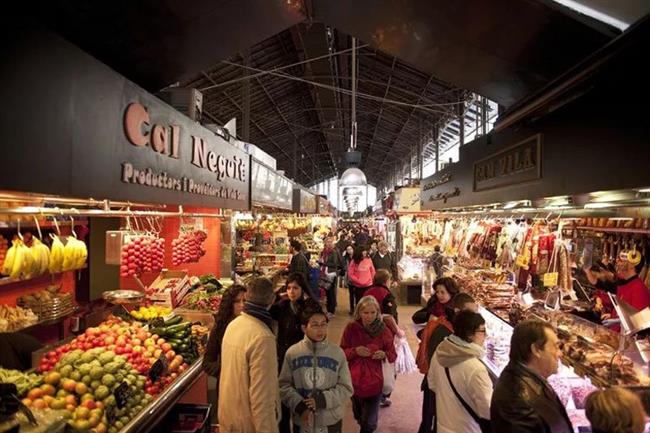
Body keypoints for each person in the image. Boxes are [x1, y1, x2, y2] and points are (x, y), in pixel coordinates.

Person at [279, 300, 353, 433]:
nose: (320, 330)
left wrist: (322, 400)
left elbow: (346, 388)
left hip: (330, 421)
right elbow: (283, 386)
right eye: (314, 325)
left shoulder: (337, 353)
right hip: (302, 421)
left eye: (323, 325)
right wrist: (300, 405)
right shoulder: (293, 353)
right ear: (304, 328)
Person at [219, 277, 281, 433]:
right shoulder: (262, 337)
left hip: (228, 417)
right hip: (248, 424)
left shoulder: (234, 325)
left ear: (246, 297)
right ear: (272, 300)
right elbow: (262, 397)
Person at [491, 320, 572, 433]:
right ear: (536, 350)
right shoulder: (517, 403)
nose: (560, 353)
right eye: (556, 347)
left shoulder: (525, 376)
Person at [417, 293, 477, 433]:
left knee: (431, 418)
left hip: (436, 385)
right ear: (458, 312)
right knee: (434, 418)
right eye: (471, 313)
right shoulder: (445, 331)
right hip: (438, 386)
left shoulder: (445, 325)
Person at [428, 311, 492, 433]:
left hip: (443, 426)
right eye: (482, 331)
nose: (486, 335)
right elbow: (488, 409)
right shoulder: (476, 368)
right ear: (469, 335)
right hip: (468, 429)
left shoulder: (439, 352)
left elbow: (432, 383)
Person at [340, 296, 397, 433]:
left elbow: (393, 354)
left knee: (369, 423)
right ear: (359, 312)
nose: (369, 316)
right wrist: (355, 351)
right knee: (359, 416)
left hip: (376, 381)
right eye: (366, 313)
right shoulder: (351, 328)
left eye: (373, 313)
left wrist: (384, 354)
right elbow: (341, 352)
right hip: (354, 381)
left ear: (378, 312)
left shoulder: (384, 331)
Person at [270, 273, 313, 433]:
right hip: (283, 360)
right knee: (283, 403)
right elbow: (268, 308)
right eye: (288, 288)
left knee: (299, 403)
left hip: (303, 362)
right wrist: (277, 295)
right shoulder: (281, 306)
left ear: (302, 289)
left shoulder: (308, 308)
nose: (291, 292)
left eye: (295, 288)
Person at [203, 284, 247, 420]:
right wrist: (226, 369)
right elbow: (207, 362)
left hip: (248, 389)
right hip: (227, 388)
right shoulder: (220, 327)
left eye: (245, 301)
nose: (242, 305)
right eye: (237, 301)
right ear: (229, 304)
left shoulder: (253, 326)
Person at [607, 250, 650, 330]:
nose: (617, 262)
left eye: (621, 260)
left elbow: (641, 321)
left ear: (631, 265)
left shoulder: (639, 289)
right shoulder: (623, 284)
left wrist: (618, 321)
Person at [320, 236, 344, 317]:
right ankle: (329, 310)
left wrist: (323, 263)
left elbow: (335, 264)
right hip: (325, 273)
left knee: (331, 292)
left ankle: (332, 310)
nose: (329, 243)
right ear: (325, 243)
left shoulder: (333, 252)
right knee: (327, 291)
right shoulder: (324, 251)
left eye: (330, 242)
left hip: (331, 274)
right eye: (327, 242)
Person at [342, 244, 356, 314]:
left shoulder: (356, 257)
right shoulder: (346, 258)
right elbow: (344, 266)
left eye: (350, 249)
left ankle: (357, 308)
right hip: (349, 278)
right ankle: (352, 308)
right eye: (348, 249)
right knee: (351, 294)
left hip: (357, 278)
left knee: (356, 294)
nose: (349, 251)